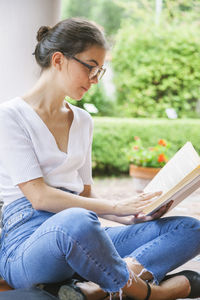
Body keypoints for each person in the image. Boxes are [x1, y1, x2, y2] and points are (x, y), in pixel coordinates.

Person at [0, 17, 199, 300]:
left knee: (190, 228)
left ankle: (101, 285)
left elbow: (87, 195)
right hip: (27, 246)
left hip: (84, 237)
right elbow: (40, 198)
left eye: (100, 71)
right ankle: (148, 293)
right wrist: (116, 205)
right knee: (78, 221)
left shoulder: (83, 121)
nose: (94, 79)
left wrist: (134, 215)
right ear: (58, 60)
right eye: (91, 68)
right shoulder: (9, 116)